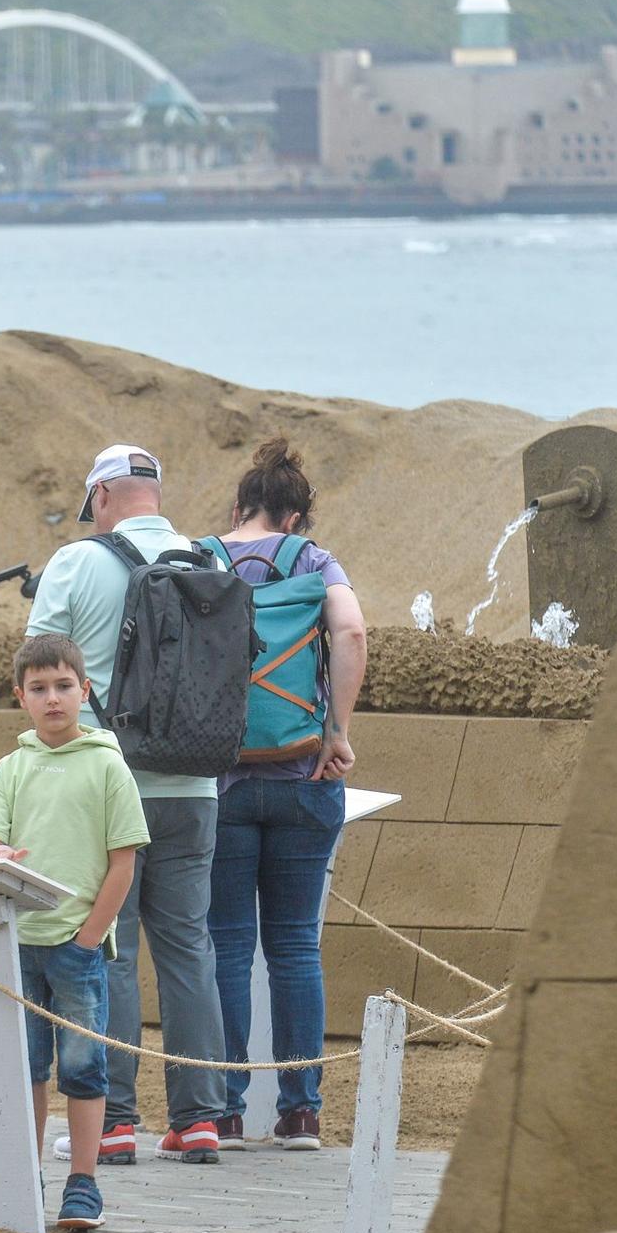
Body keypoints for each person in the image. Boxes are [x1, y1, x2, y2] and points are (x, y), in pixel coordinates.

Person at [27, 444, 231, 1165]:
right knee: (189, 949)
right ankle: (200, 1115)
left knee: (108, 946)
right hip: (197, 786)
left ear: (103, 495)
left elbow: (35, 663)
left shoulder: (76, 562)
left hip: (106, 784)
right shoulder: (212, 562)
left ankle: (112, 1118)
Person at [201, 438, 368, 1152]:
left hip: (220, 780)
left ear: (239, 506)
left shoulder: (198, 556)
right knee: (296, 946)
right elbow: (352, 630)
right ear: (296, 515)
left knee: (228, 948)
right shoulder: (314, 561)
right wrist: (336, 731)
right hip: (306, 776)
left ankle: (227, 1110)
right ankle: (300, 1112)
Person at [0, 634, 148, 1231]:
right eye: (40, 689)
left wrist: (89, 938)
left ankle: (84, 1183)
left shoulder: (107, 764)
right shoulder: (11, 766)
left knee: (83, 1066)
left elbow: (123, 862)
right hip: (15, 942)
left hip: (77, 946)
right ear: (21, 697)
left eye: (64, 687)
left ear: (85, 690)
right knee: (26, 1067)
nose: (53, 699)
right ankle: (27, 1175)